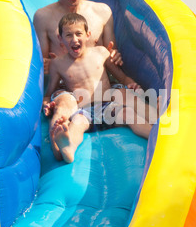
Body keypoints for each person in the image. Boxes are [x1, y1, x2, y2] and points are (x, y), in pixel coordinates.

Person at [43, 13, 154, 163]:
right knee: (77, 123)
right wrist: (47, 104)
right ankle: (69, 147)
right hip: (85, 110)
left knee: (128, 114)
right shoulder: (58, 64)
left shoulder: (101, 52)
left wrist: (131, 84)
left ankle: (154, 136)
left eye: (78, 34)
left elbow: (120, 76)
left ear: (88, 35)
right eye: (68, 35)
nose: (74, 39)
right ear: (60, 39)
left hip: (109, 106)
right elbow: (50, 91)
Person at [33, 0, 123, 75]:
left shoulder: (102, 12)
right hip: (66, 83)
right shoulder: (43, 17)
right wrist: (48, 65)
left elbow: (111, 53)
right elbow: (41, 64)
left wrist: (115, 56)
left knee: (129, 92)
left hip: (101, 81)